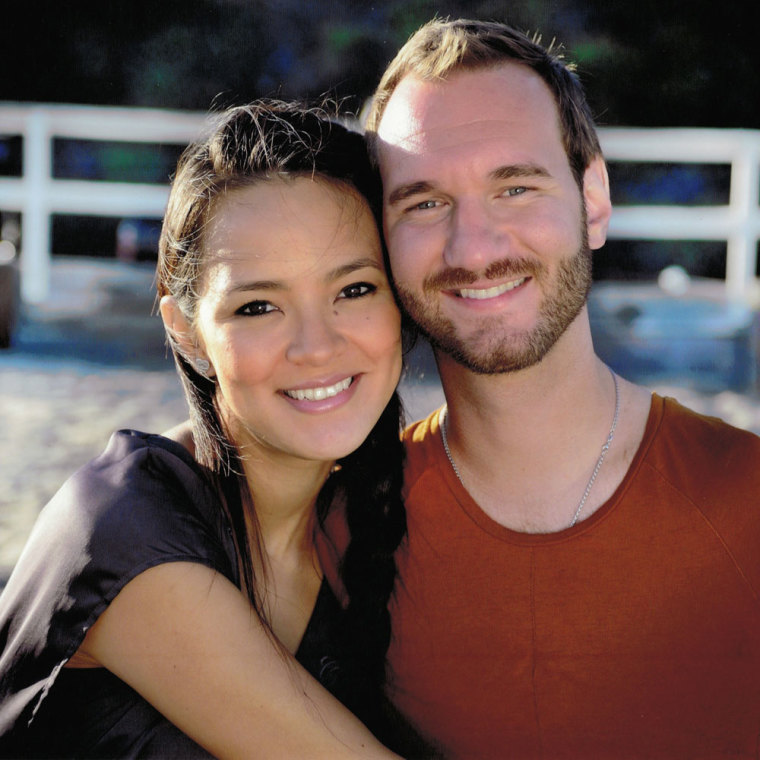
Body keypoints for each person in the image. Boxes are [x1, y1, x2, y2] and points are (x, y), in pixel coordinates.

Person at [362, 18, 760, 759]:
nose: (473, 247)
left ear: (594, 199)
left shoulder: (747, 500)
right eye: (423, 202)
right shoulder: (345, 532)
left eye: (515, 186)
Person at [0, 101, 407, 758]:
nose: (317, 345)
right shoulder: (123, 532)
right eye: (257, 306)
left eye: (354, 289)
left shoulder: (370, 522)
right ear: (187, 330)